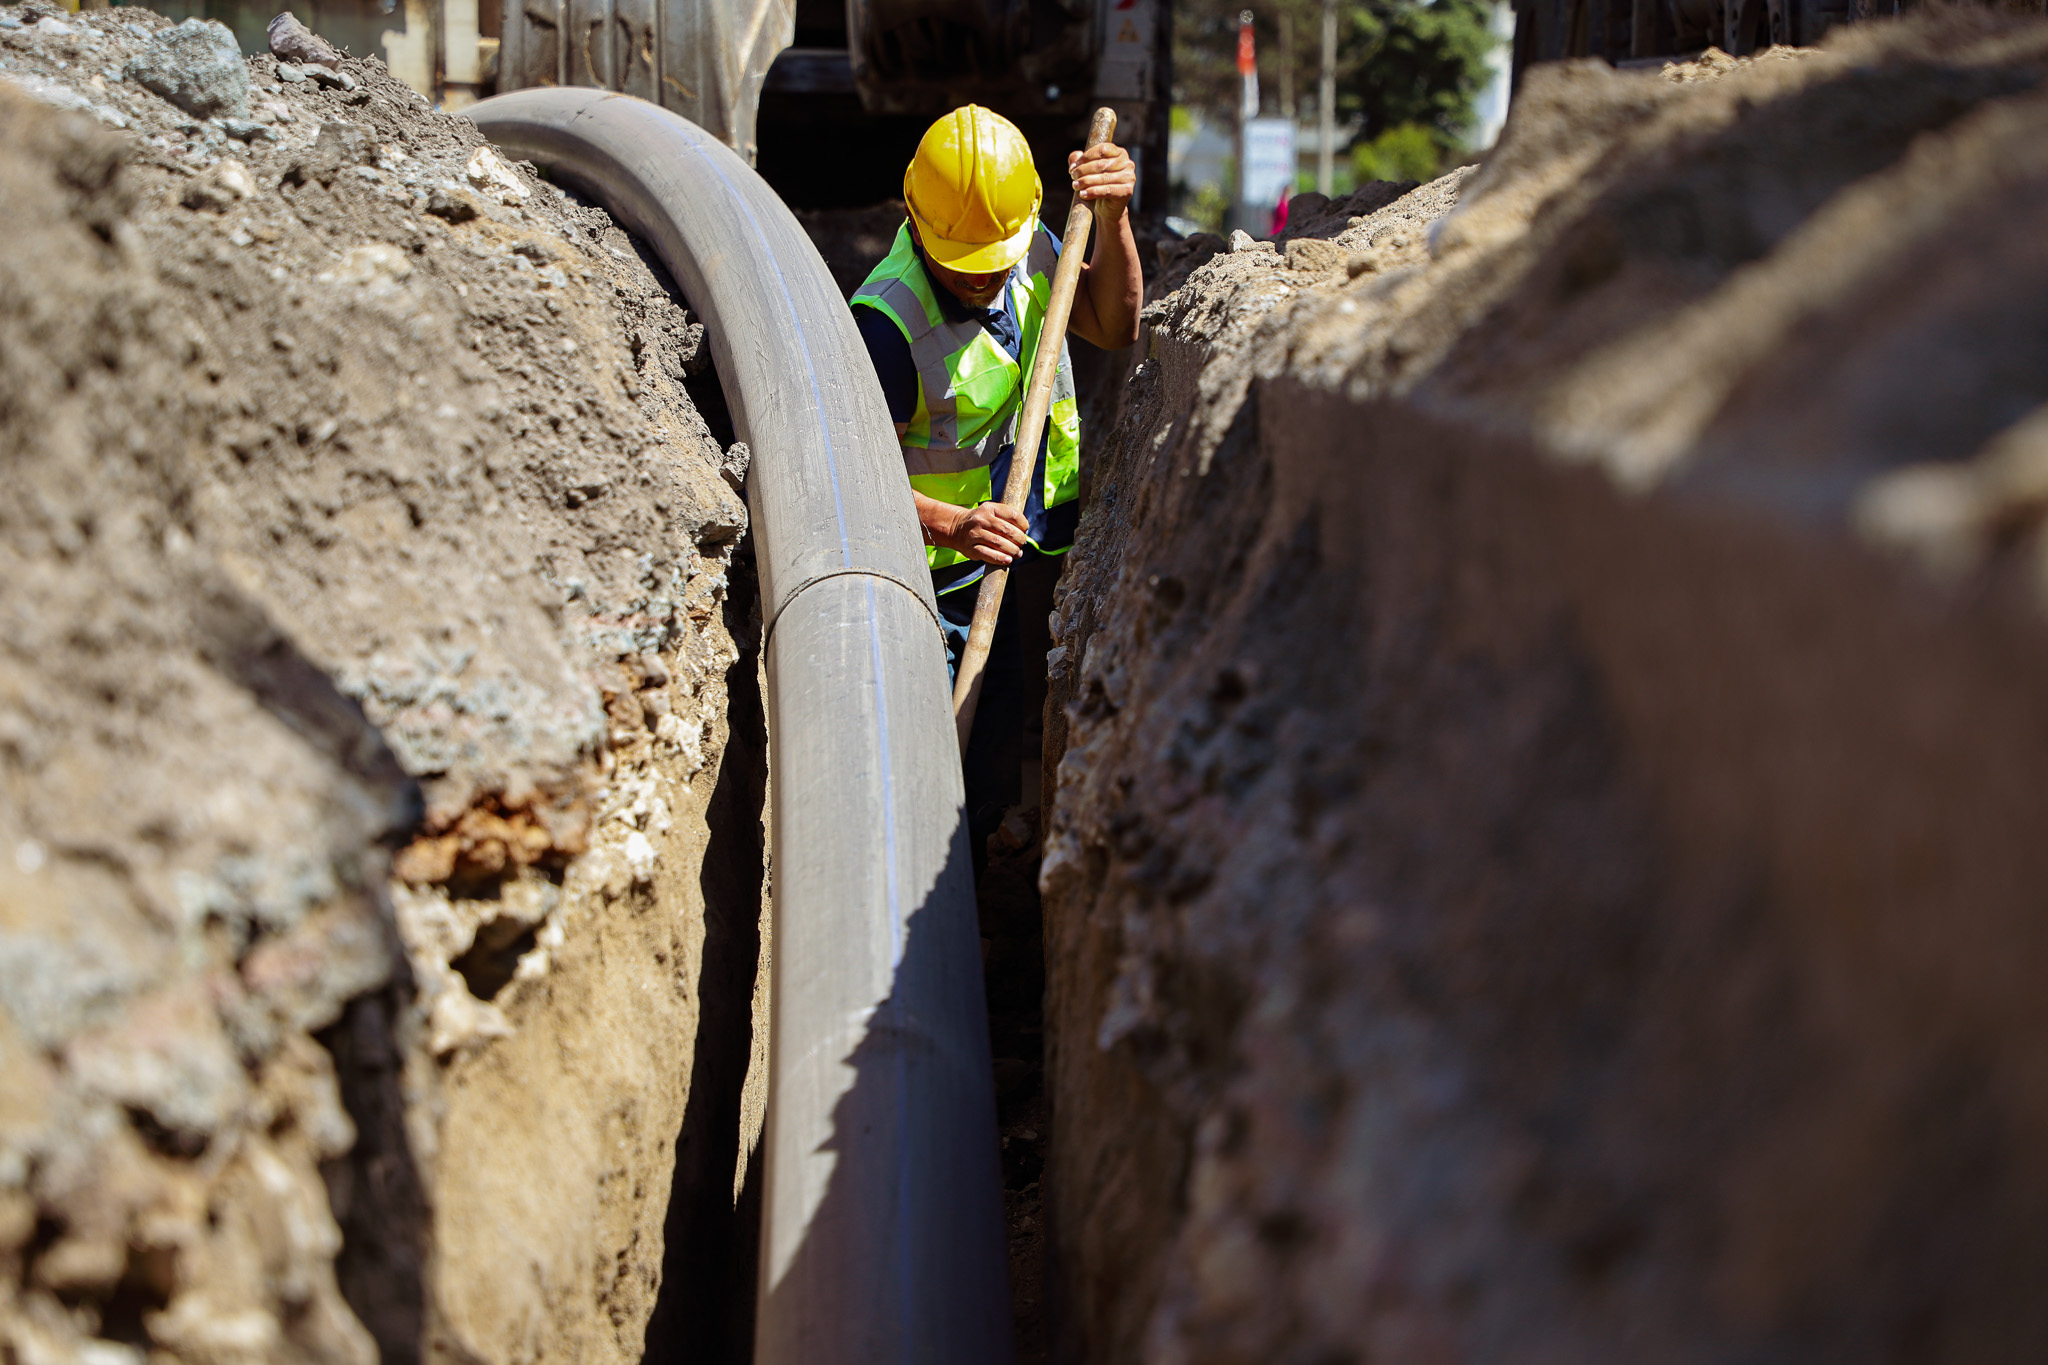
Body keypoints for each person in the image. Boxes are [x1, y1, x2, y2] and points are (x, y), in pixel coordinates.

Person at [850, 104, 1141, 865]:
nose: (982, 278)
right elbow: (849, 483)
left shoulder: (1032, 251)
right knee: (920, 769)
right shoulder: (888, 325)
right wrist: (950, 525)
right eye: (962, 263)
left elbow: (1115, 325)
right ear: (917, 225)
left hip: (996, 564)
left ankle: (967, 894)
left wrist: (1110, 221)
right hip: (917, 582)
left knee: (987, 765)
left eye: (994, 261)